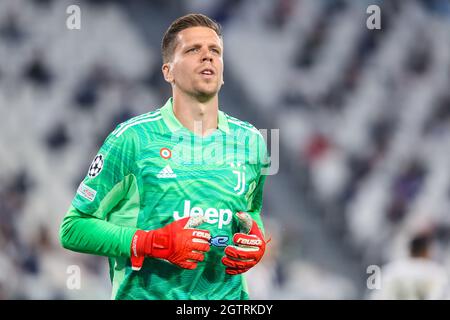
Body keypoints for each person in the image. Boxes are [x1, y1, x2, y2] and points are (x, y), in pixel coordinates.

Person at [59, 13, 270, 300]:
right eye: (193, 50)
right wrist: (151, 242)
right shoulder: (133, 139)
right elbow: (73, 228)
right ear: (168, 71)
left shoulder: (251, 141)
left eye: (215, 51)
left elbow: (250, 210)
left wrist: (256, 239)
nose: (207, 57)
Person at [370, 230, 449, 300]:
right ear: (426, 251)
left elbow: (377, 296)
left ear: (410, 250)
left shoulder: (390, 271)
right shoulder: (437, 272)